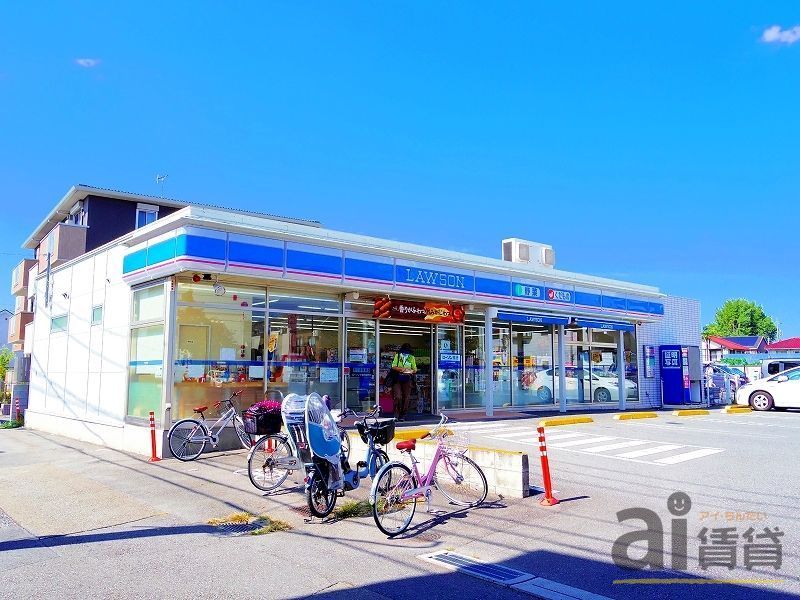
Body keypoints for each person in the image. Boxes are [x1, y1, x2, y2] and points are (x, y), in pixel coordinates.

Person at [391, 343, 417, 421]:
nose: (406, 353)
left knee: (406, 397)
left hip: (407, 378)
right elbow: (393, 366)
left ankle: (403, 414)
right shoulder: (397, 356)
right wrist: (403, 369)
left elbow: (415, 369)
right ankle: (396, 413)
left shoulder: (411, 357)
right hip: (397, 378)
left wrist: (411, 371)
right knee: (398, 396)